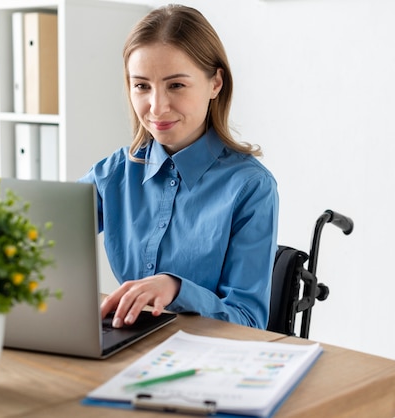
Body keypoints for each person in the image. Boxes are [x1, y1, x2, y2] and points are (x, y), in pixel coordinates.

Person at [79, 4, 278, 330]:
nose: (157, 107)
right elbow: (41, 235)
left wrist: (176, 289)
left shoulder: (251, 187)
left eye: (176, 85)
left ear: (215, 84)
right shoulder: (115, 171)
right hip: (130, 345)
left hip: (206, 360)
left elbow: (249, 321)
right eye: (142, 86)